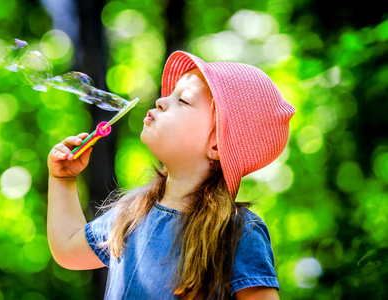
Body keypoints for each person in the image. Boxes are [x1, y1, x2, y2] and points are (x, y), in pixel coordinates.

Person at [47, 51, 296, 299]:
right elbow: (68, 248)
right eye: (169, 94)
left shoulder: (238, 232)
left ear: (217, 146)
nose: (160, 101)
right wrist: (63, 179)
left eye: (183, 100)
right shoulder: (132, 213)